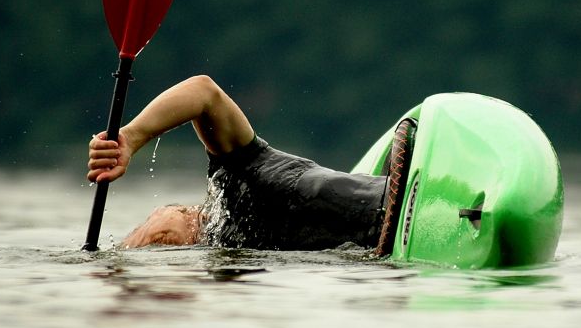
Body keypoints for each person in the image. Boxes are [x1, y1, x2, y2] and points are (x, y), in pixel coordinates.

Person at [87, 75, 387, 250]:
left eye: (156, 230)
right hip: (387, 239)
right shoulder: (242, 262)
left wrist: (131, 137)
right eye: (158, 242)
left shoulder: (242, 176)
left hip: (400, 202)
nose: (161, 235)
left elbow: (203, 92)